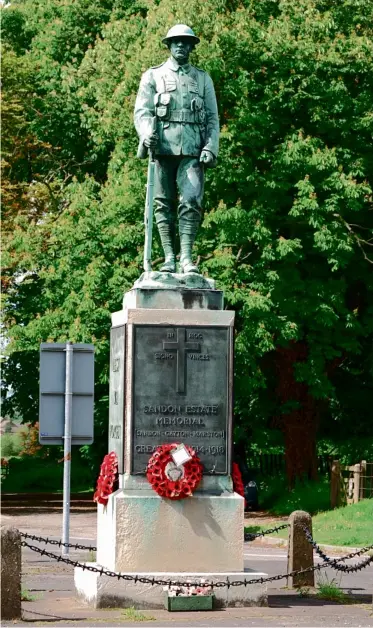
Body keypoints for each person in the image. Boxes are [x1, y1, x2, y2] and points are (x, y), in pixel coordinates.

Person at [134, 24, 219, 274]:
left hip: (192, 150)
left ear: (192, 46)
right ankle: (169, 257)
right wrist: (147, 132)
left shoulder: (202, 78)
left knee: (191, 200)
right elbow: (142, 111)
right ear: (169, 46)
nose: (181, 46)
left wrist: (210, 147)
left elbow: (213, 118)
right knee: (162, 204)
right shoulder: (153, 75)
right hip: (162, 149)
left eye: (185, 42)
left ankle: (187, 258)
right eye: (176, 42)